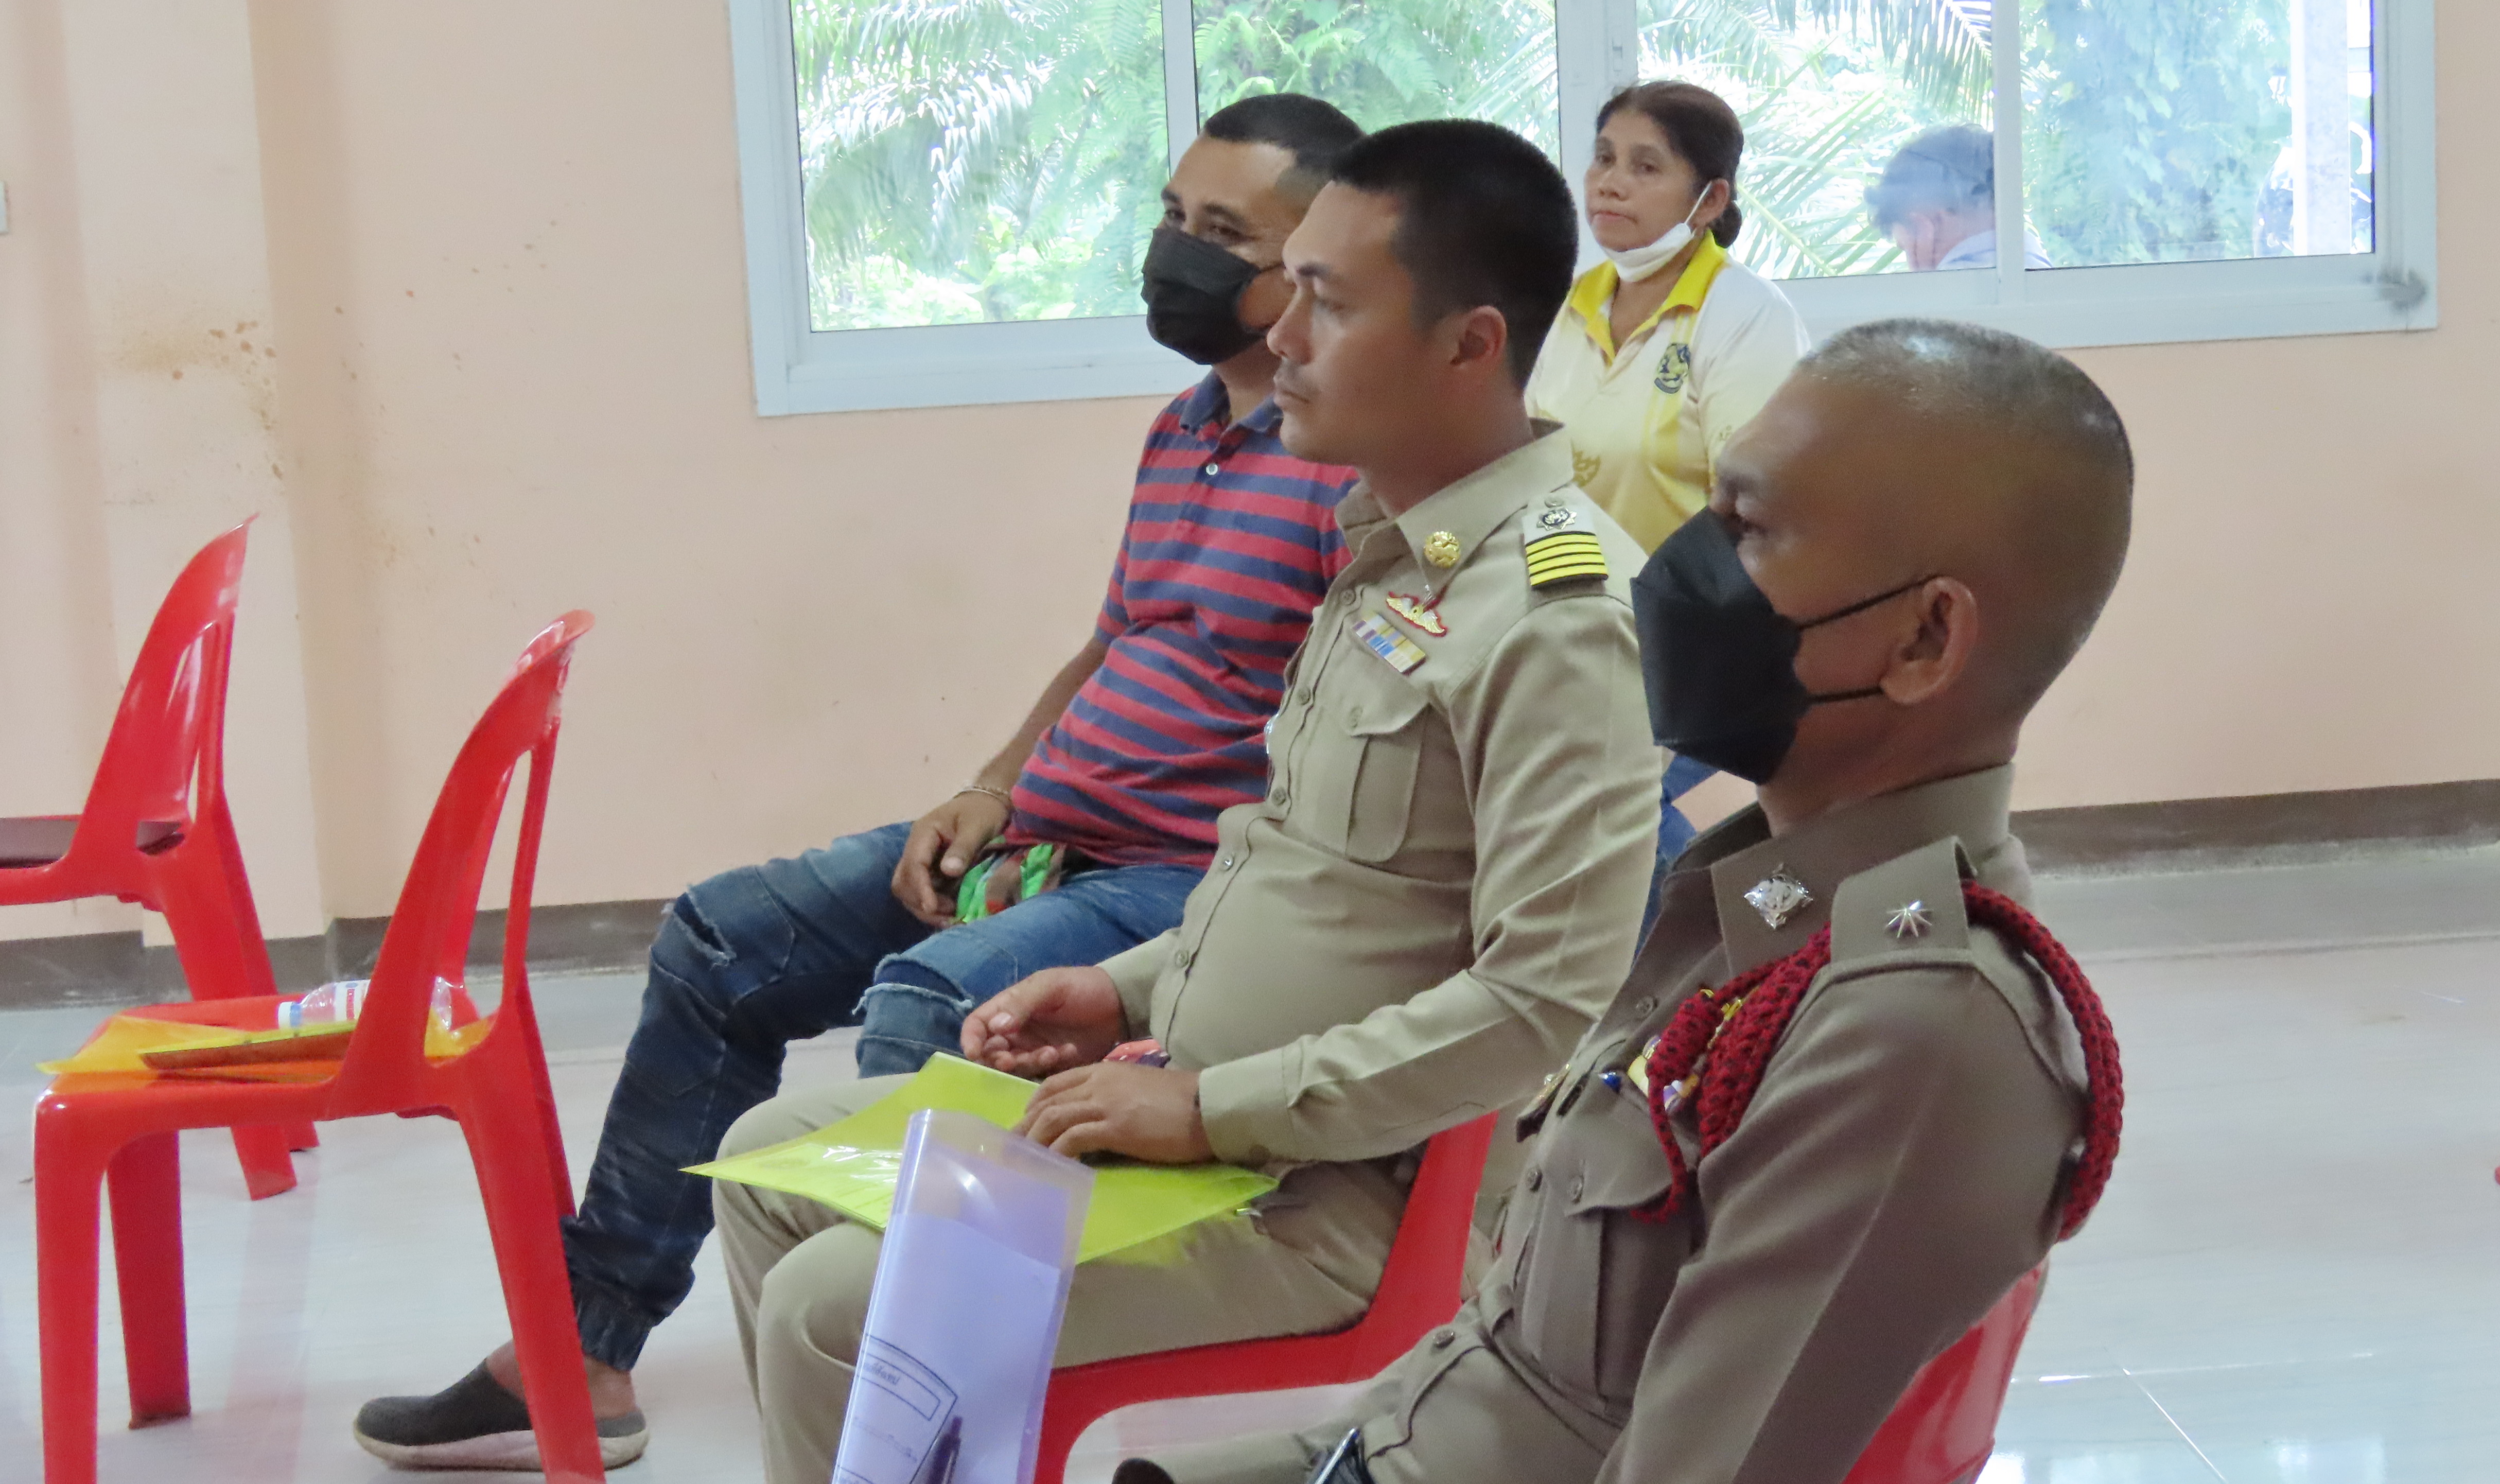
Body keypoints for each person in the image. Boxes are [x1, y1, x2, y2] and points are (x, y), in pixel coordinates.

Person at [347, 92, 1366, 1472]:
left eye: (1221, 233)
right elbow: (1115, 639)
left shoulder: (1345, 471)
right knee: (723, 936)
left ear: (1316, 264)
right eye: (1172, 214)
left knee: (934, 1001)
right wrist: (993, 788)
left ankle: (913, 1387)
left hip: (1176, 878)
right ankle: (581, 1349)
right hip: (1053, 831)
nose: (1176, 250)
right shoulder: (1183, 427)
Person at [711, 119, 1661, 1484]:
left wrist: (1213, 1110)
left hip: (1338, 1197)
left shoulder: (1557, 613)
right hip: (1196, 1112)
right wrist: (1127, 989)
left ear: (1470, 345)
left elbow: (1541, 1002)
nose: (1281, 336)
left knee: (834, 1312)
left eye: (1329, 303)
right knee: (766, 1165)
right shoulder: (1390, 554)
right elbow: (1307, 880)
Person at [1122, 316, 2134, 1484]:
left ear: (1922, 638)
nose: (1676, 567)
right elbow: (1512, 1358)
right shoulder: (1760, 907)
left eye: (1745, 529)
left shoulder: (1908, 1031)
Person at [1525, 80, 1811, 920]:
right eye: (1603, 159)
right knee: (1572, 794)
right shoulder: (1567, 308)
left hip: (1707, 635)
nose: (1609, 183)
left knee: (1599, 792)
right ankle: (1737, 939)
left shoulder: (1744, 315)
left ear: (1709, 199)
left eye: (1645, 167)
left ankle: (1724, 946)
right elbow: (1524, 468)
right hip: (1578, 624)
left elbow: (1756, 505)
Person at [1867, 124, 2056, 272]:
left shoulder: (1951, 289)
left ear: (1930, 223)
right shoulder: (2043, 271)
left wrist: (1926, 288)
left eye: (1909, 247)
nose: (1912, 259)